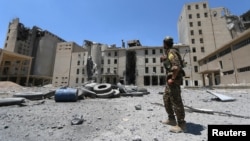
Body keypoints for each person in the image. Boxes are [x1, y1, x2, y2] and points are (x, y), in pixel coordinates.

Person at [160, 36, 186, 133]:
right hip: (170, 81)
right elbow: (170, 62)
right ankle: (171, 119)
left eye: (163, 43)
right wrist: (164, 58)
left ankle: (181, 124)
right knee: (166, 98)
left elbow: (176, 67)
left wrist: (173, 78)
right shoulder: (169, 53)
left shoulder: (172, 52)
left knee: (176, 100)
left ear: (165, 44)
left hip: (173, 80)